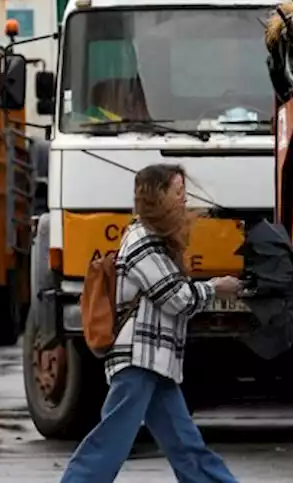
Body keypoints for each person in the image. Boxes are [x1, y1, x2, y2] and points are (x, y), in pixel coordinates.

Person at [60, 163, 241, 483]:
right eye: (178, 192)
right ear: (158, 197)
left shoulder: (154, 240)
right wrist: (216, 287)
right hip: (138, 362)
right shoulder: (142, 240)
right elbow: (178, 298)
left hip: (156, 362)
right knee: (110, 442)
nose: (185, 200)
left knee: (186, 447)